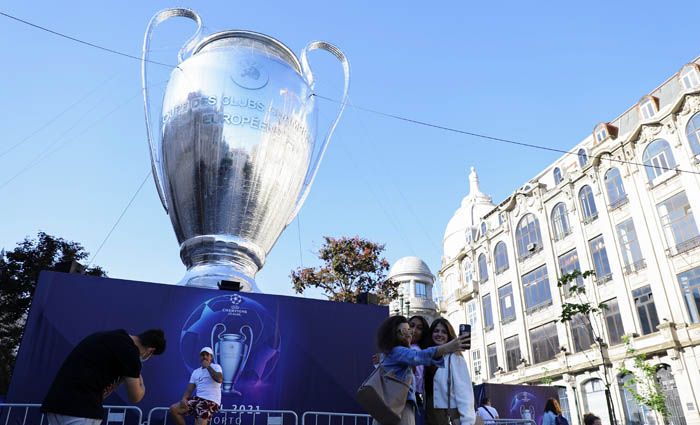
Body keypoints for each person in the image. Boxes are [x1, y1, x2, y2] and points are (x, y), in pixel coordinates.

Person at [42, 329, 166, 425]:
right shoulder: (130, 353)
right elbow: (135, 396)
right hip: (81, 410)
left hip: (56, 405)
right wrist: (142, 385)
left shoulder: (110, 337)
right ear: (150, 351)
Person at [373, 315, 470, 425]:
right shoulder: (398, 351)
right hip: (398, 407)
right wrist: (448, 347)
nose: (410, 332)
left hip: (399, 407)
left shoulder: (395, 352)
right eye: (405, 330)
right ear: (393, 333)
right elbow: (418, 356)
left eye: (409, 330)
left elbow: (464, 392)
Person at [425, 318, 476, 425]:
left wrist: (468, 421)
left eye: (444, 332)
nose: (439, 334)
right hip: (429, 415)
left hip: (447, 415)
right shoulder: (427, 357)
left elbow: (464, 391)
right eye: (436, 331)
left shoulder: (455, 357)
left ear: (449, 336)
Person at [169, 347, 224, 425]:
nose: (204, 357)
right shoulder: (196, 372)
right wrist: (184, 398)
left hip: (210, 401)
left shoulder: (216, 367)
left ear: (211, 357)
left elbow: (219, 379)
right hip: (198, 400)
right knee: (174, 409)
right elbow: (189, 390)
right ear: (200, 357)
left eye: (207, 355)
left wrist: (208, 367)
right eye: (202, 355)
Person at [409, 315, 431, 425]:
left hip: (410, 400)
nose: (414, 330)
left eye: (419, 328)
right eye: (411, 326)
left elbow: (417, 381)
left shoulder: (418, 351)